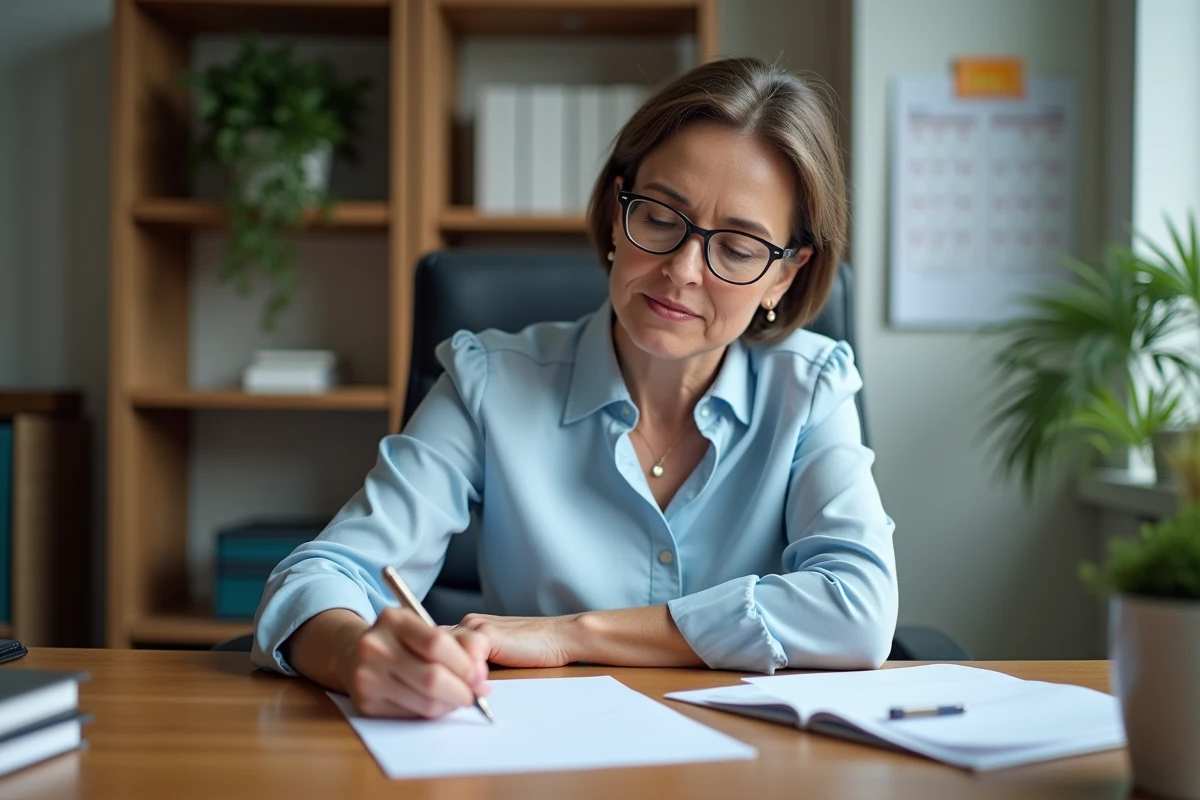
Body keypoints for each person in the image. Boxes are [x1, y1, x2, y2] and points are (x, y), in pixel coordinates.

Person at [252, 56, 898, 720]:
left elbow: (859, 608)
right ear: (618, 213)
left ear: (784, 275)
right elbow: (317, 578)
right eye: (659, 217)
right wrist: (357, 653)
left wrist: (571, 635)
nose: (682, 270)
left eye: (736, 248)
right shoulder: (490, 381)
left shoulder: (810, 389)